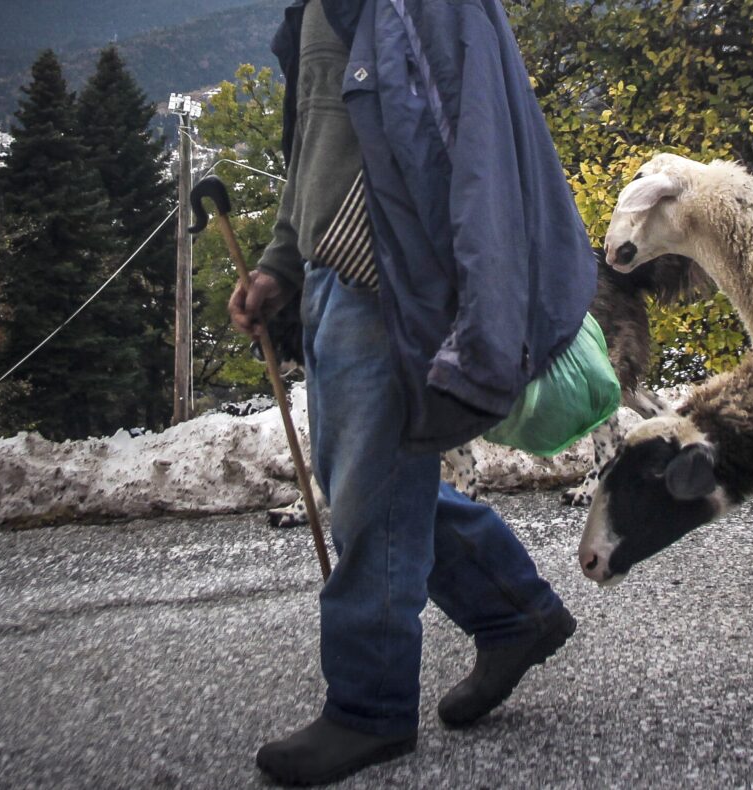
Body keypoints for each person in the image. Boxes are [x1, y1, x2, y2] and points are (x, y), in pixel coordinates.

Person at [229, 0, 596, 784]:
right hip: (333, 276)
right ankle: (513, 612)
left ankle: (369, 709)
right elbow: (316, 146)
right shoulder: (322, 9)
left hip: (388, 283)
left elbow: (478, 153)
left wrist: (473, 305)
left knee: (371, 495)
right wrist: (282, 266)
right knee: (374, 483)